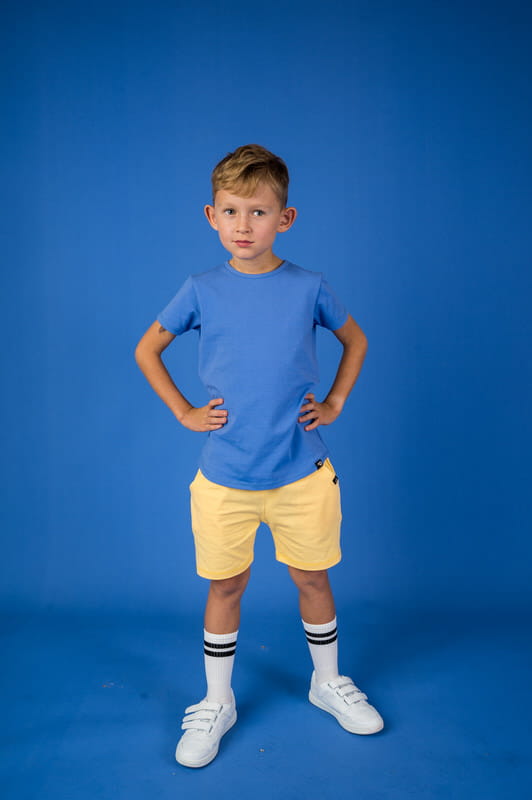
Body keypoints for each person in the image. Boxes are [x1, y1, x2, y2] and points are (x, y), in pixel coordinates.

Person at [135, 143, 384, 769]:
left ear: (285, 218)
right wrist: (185, 412)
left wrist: (335, 401)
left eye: (258, 211)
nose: (243, 225)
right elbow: (147, 350)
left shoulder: (308, 287)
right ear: (211, 216)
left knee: (312, 576)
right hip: (226, 477)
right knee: (226, 584)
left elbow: (354, 339)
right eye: (231, 211)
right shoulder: (200, 289)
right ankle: (217, 699)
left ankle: (326, 681)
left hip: (303, 472)